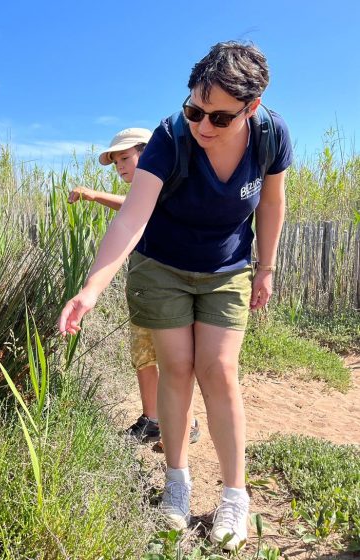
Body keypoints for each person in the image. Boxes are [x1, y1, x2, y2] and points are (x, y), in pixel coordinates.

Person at [59, 42, 292, 551]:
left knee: (219, 369)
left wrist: (266, 268)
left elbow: (271, 203)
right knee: (178, 368)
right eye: (194, 110)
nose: (203, 126)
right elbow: (132, 215)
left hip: (227, 267)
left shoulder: (271, 136)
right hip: (161, 265)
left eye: (220, 117)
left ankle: (235, 495)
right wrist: (91, 287)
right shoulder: (169, 136)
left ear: (252, 107)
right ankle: (177, 485)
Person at [68, 128, 200, 448]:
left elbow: (134, 207)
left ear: (148, 153)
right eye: (116, 162)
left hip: (168, 287)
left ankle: (186, 421)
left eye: (126, 158)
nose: (121, 167)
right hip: (142, 285)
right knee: (143, 355)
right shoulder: (144, 191)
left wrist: (94, 195)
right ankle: (152, 420)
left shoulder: (165, 185)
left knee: (173, 357)